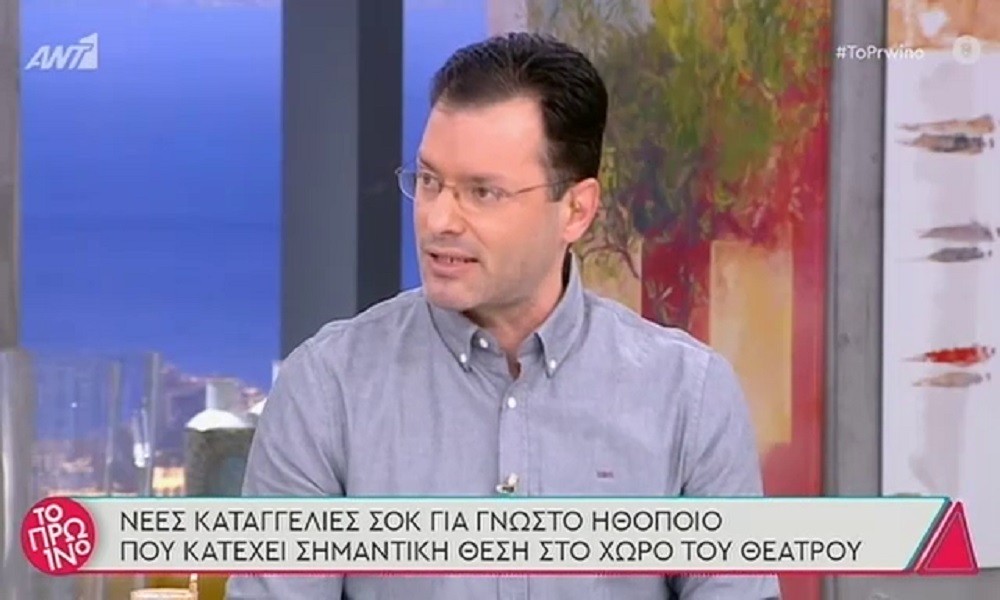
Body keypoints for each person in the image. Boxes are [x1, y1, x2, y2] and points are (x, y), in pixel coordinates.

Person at [226, 32, 779, 600]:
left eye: (482, 192)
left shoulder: (689, 398)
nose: (439, 220)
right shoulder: (327, 391)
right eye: (429, 181)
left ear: (577, 210)